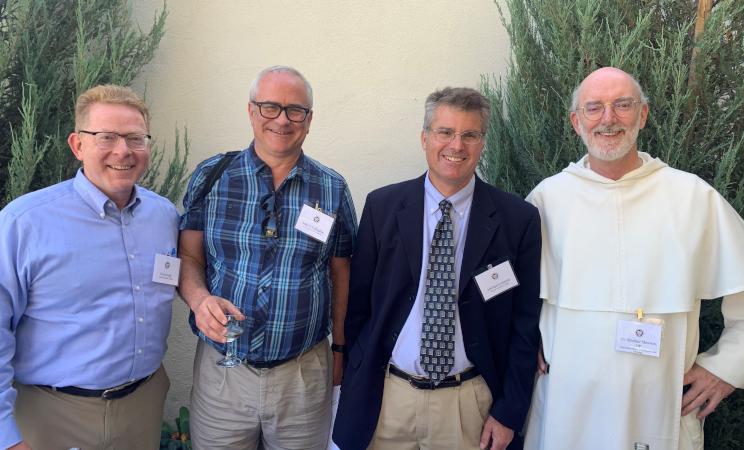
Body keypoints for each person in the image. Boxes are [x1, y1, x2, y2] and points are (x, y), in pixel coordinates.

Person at [524, 67, 744, 450]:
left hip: (658, 408)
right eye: (594, 108)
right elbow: (513, 300)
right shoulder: (546, 200)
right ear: (576, 121)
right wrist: (527, 343)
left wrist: (726, 369)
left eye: (622, 106)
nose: (608, 119)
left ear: (642, 115)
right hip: (568, 412)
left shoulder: (692, 197)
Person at [333, 87, 543, 450]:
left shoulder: (517, 220)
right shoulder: (382, 207)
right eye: (445, 132)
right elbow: (359, 308)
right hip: (387, 398)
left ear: (482, 142)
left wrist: (509, 411)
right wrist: (356, 378)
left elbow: (524, 327)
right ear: (425, 137)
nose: (456, 145)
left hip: (470, 407)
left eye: (470, 135)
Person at [178, 65, 357, 450]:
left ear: (308, 121)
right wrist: (198, 299)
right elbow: (188, 256)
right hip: (222, 372)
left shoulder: (333, 189)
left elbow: (342, 275)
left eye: (295, 110)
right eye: (270, 107)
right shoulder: (211, 177)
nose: (282, 119)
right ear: (251, 111)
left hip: (303, 376)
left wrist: (340, 349)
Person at [0, 85, 180, 450]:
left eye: (135, 138)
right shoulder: (24, 223)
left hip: (142, 406)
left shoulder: (166, 216)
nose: (123, 150)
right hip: (50, 414)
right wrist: (5, 436)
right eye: (106, 137)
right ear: (77, 145)